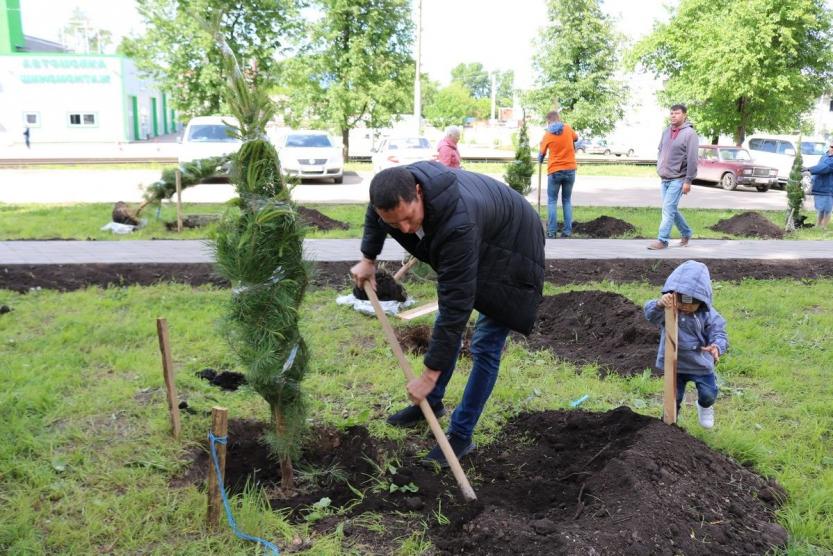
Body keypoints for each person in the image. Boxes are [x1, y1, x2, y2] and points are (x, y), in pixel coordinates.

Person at [350, 161, 544, 466]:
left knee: (485, 344)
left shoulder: (458, 224)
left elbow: (456, 304)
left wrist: (428, 374)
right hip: (485, 228)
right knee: (447, 321)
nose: (405, 229)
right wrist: (368, 259)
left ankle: (460, 436)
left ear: (418, 193)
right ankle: (432, 403)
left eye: (409, 218)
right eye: (394, 222)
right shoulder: (393, 194)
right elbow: (376, 217)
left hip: (514, 246)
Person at [643, 260, 728, 429]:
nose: (684, 306)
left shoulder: (708, 315)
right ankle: (668, 427)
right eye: (681, 300)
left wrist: (716, 346)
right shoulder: (668, 309)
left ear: (702, 300)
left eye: (691, 302)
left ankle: (704, 407)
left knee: (708, 395)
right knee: (673, 399)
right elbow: (651, 315)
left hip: (700, 364)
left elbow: (719, 333)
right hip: (675, 366)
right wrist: (660, 304)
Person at [648, 103, 698, 250]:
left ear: (684, 115)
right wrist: (659, 167)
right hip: (665, 178)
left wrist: (688, 181)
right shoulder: (666, 131)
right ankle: (686, 232)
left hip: (679, 178)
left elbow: (692, 159)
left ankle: (662, 240)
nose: (673, 115)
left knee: (668, 209)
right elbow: (660, 150)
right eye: (671, 113)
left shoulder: (690, 134)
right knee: (670, 208)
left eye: (676, 113)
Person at [538, 111, 578, 238]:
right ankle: (567, 232)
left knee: (552, 201)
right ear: (558, 119)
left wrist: (540, 158)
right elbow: (576, 138)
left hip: (554, 171)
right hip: (570, 170)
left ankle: (551, 232)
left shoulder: (547, 135)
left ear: (549, 121)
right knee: (566, 201)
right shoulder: (567, 128)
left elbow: (541, 155)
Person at [806, 143, 833, 230]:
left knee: (827, 209)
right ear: (829, 146)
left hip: (829, 188)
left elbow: (825, 168)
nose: (832, 148)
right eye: (832, 146)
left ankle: (823, 227)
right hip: (819, 186)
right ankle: (817, 225)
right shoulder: (824, 156)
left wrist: (809, 169)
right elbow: (819, 167)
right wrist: (812, 181)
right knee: (820, 208)